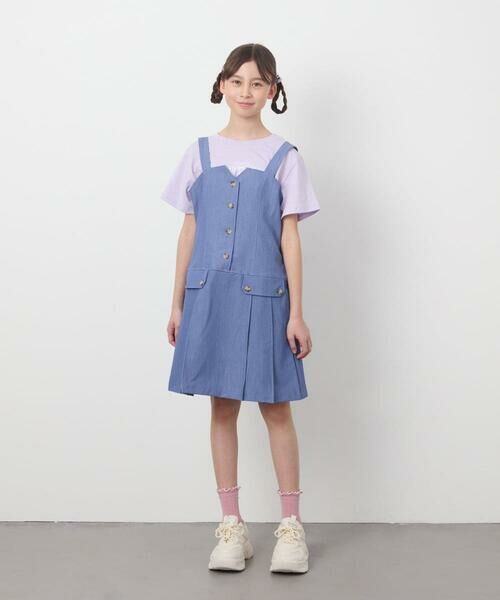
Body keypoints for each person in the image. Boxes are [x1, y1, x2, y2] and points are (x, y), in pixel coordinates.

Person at [160, 43, 320, 574]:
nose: (246, 92)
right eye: (237, 81)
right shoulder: (199, 152)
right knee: (222, 407)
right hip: (210, 296)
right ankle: (231, 526)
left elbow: (290, 237)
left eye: (257, 83)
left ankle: (291, 528)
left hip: (268, 297)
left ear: (272, 90)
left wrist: (297, 312)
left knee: (276, 408)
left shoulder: (285, 157)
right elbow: (189, 231)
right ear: (221, 85)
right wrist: (177, 302)